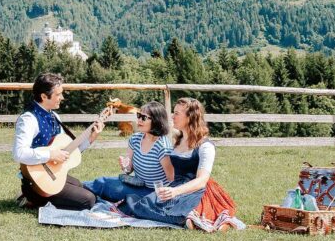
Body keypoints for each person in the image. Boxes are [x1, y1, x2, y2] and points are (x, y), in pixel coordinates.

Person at [118, 97, 235, 229]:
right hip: (174, 186)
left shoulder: (205, 146)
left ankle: (189, 218)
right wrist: (129, 166)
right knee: (140, 205)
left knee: (171, 211)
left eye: (177, 113)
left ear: (190, 117)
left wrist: (175, 191)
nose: (173, 117)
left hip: (195, 190)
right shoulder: (177, 140)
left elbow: (202, 180)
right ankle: (183, 219)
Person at [13, 72, 103, 210]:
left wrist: (91, 137)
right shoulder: (28, 119)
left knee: (82, 187)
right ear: (44, 96)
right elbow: (19, 154)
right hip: (35, 182)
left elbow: (68, 152)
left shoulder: (54, 116)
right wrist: (51, 155)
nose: (62, 97)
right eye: (58, 94)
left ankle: (37, 199)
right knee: (88, 200)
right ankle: (33, 199)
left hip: (52, 175)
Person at [84, 101, 172, 202]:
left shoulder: (163, 147)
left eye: (143, 118)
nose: (139, 120)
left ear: (156, 121)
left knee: (105, 185)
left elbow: (172, 179)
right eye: (138, 115)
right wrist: (125, 165)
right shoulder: (135, 139)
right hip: (136, 185)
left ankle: (78, 192)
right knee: (102, 182)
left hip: (153, 193)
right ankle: (75, 189)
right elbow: (128, 170)